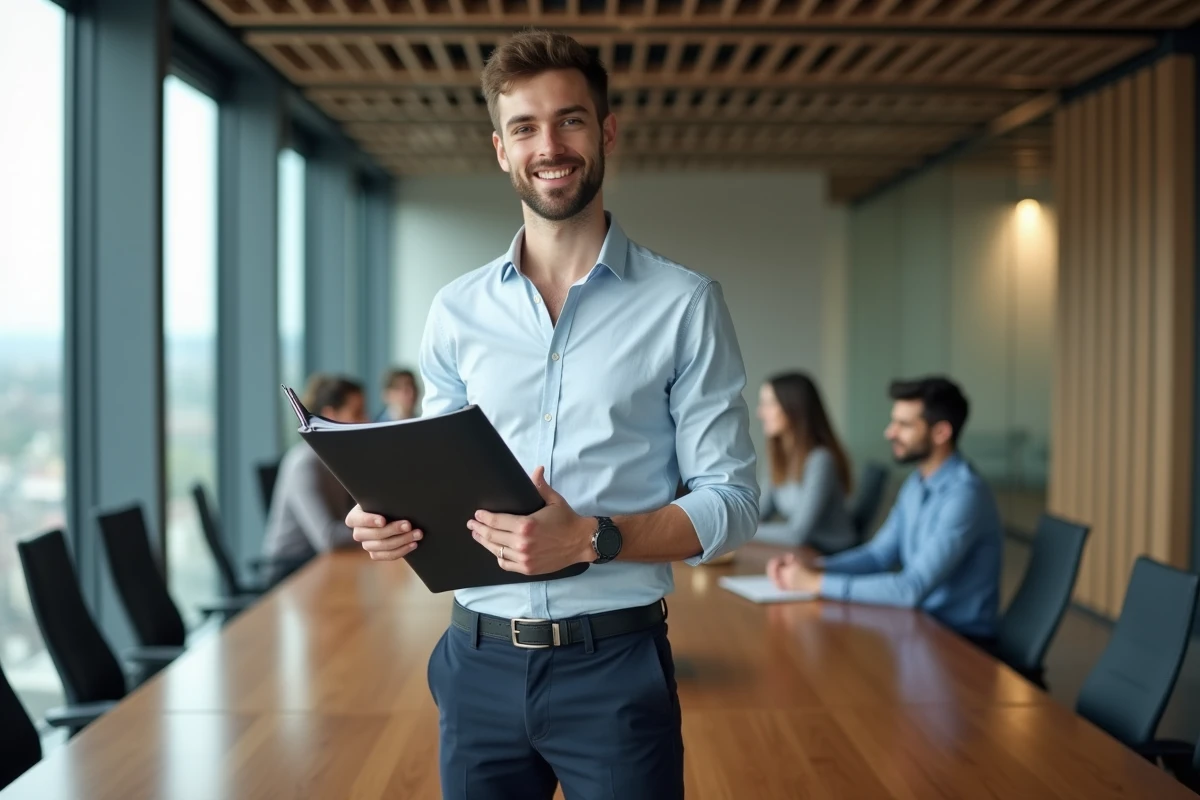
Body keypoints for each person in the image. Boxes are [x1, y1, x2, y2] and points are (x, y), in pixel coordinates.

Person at [346, 30, 758, 800]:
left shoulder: (684, 306)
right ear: (501, 149)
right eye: (526, 127)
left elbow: (732, 505)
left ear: (606, 133)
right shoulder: (455, 311)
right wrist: (390, 519)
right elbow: (439, 477)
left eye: (570, 121)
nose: (550, 146)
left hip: (615, 669)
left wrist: (594, 538)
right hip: (475, 665)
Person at [767, 376, 1002, 643]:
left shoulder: (965, 495)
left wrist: (815, 584)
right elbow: (878, 555)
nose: (890, 432)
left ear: (941, 433)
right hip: (920, 625)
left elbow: (910, 589)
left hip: (960, 642)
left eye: (904, 425)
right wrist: (816, 567)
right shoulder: (916, 483)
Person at [260, 374, 365, 585]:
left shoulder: (340, 460)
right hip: (291, 573)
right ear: (330, 415)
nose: (366, 420)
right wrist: (378, 530)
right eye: (357, 413)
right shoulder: (304, 464)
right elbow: (329, 537)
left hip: (324, 567)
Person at [753, 371, 856, 555]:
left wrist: (739, 533)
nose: (760, 413)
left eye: (769, 404)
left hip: (831, 554)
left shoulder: (820, 460)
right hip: (804, 550)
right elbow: (760, 513)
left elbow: (796, 533)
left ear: (793, 408)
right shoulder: (777, 456)